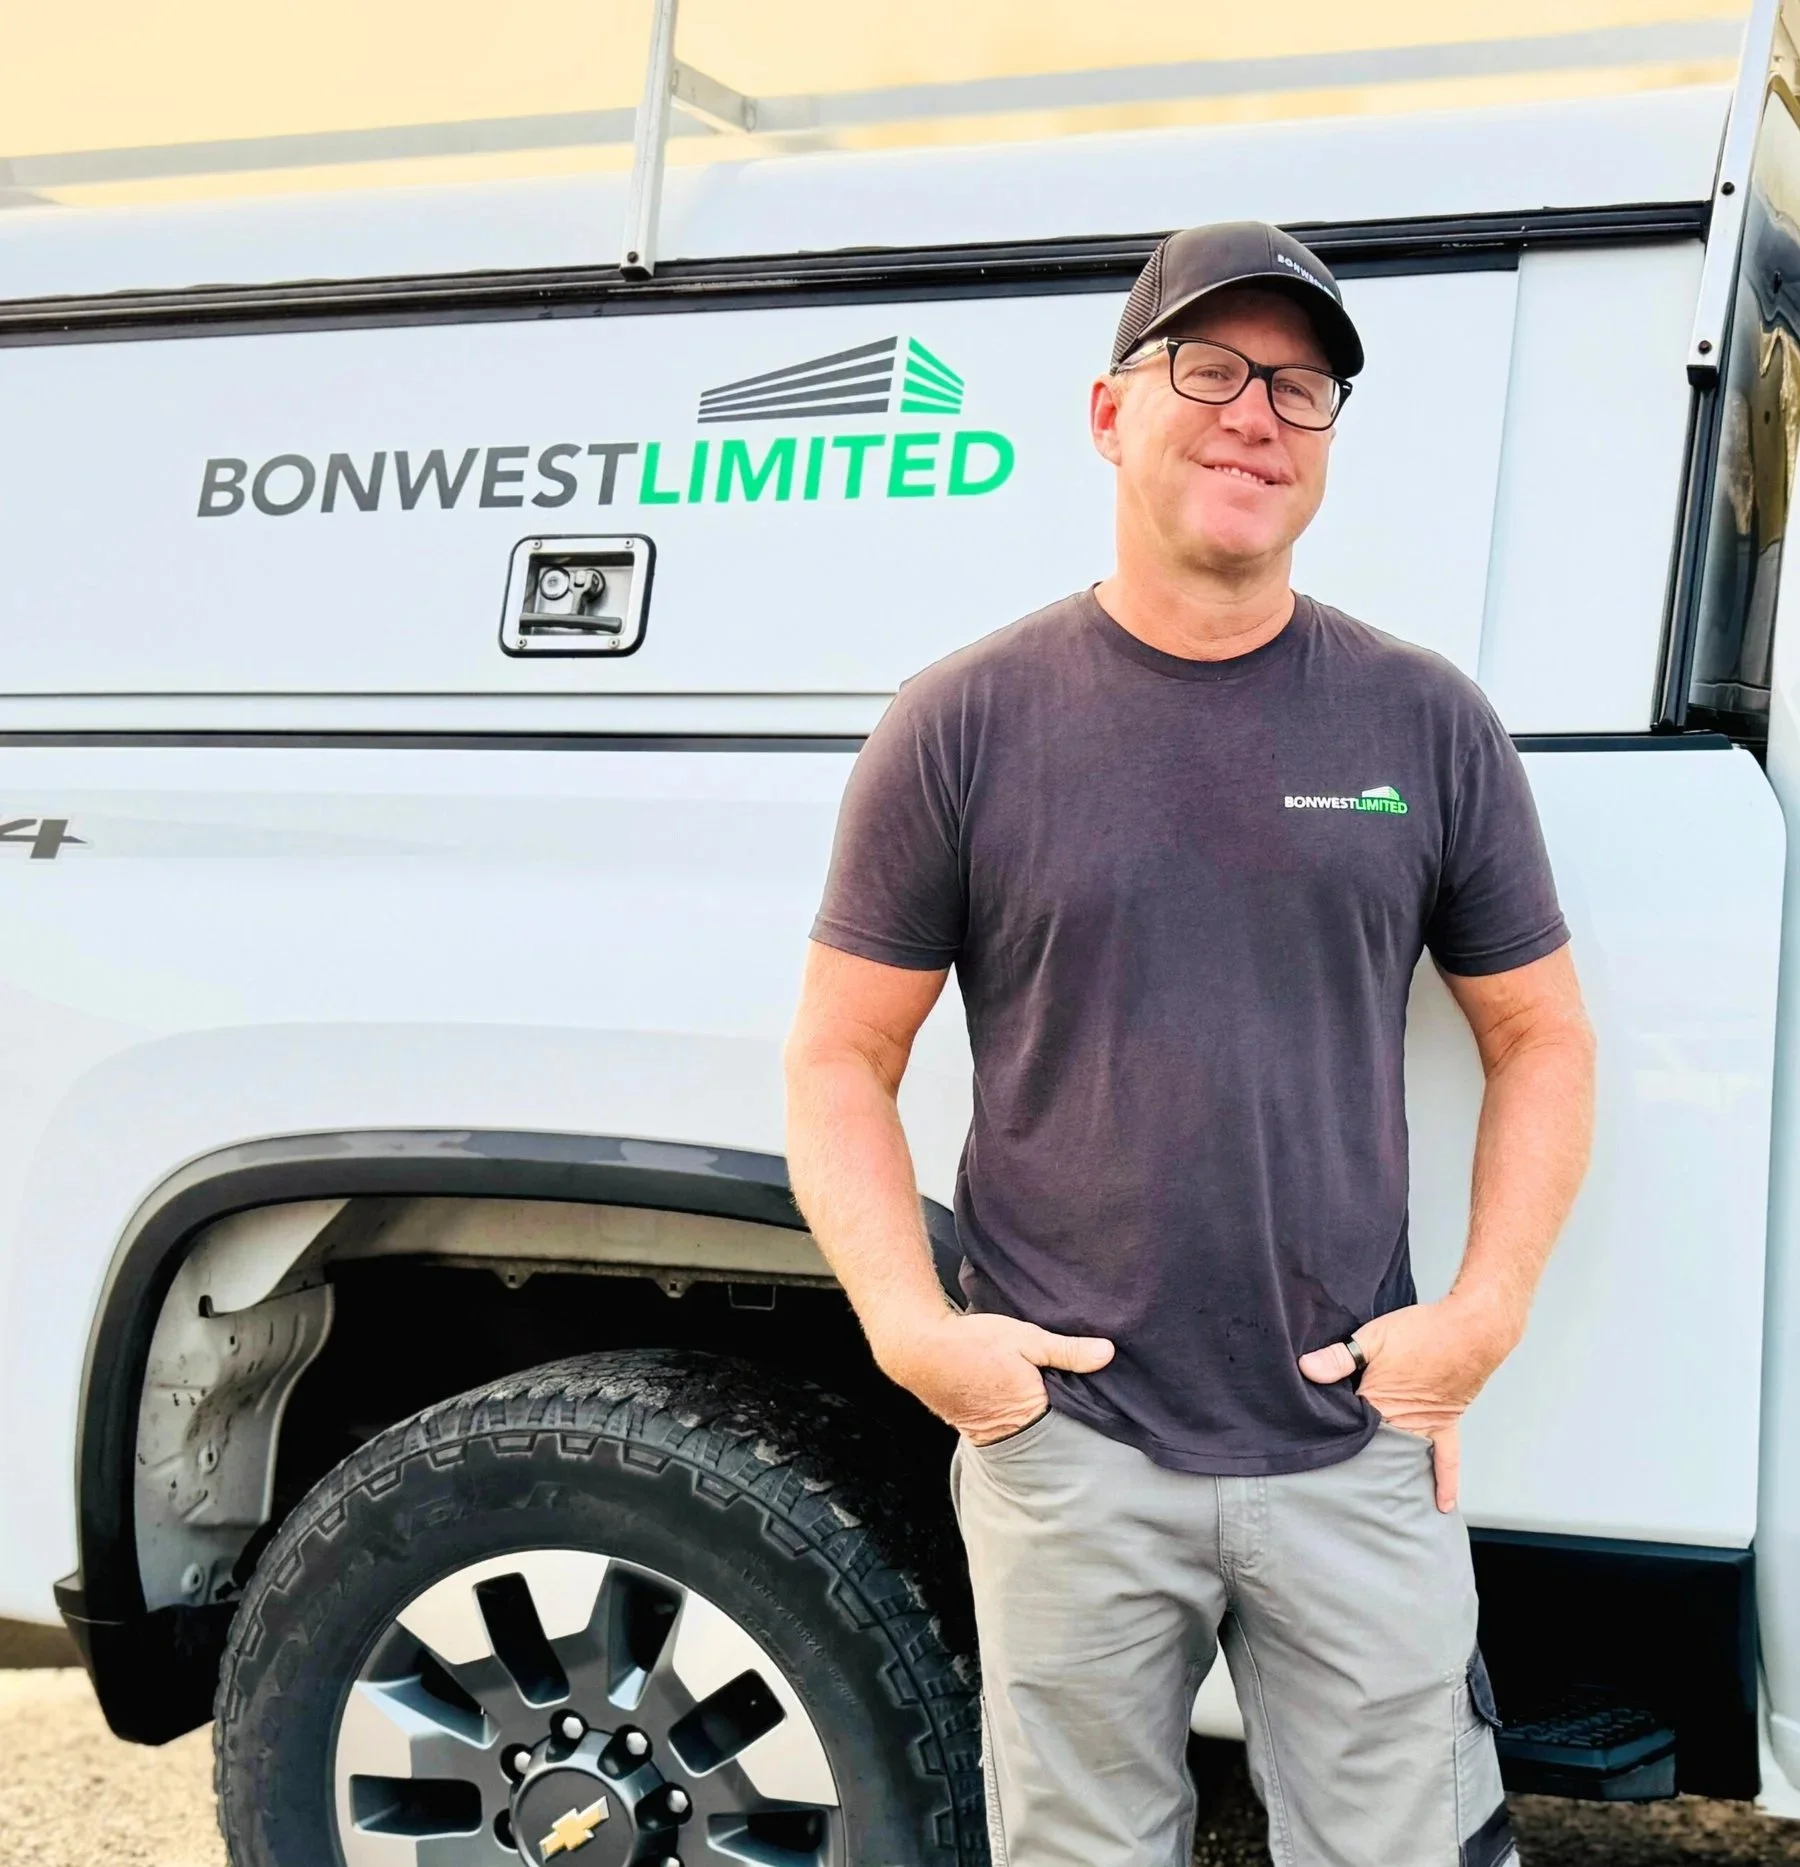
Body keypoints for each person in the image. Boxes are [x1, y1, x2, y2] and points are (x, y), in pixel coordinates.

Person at [784, 220, 1595, 1867]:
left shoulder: (1423, 720)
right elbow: (837, 1060)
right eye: (1208, 369)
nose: (1256, 415)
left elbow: (1542, 1036)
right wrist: (919, 1335)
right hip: (1070, 1451)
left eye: (1301, 388)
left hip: (1353, 1441)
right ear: (1108, 413)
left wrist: (1482, 1319)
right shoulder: (964, 724)